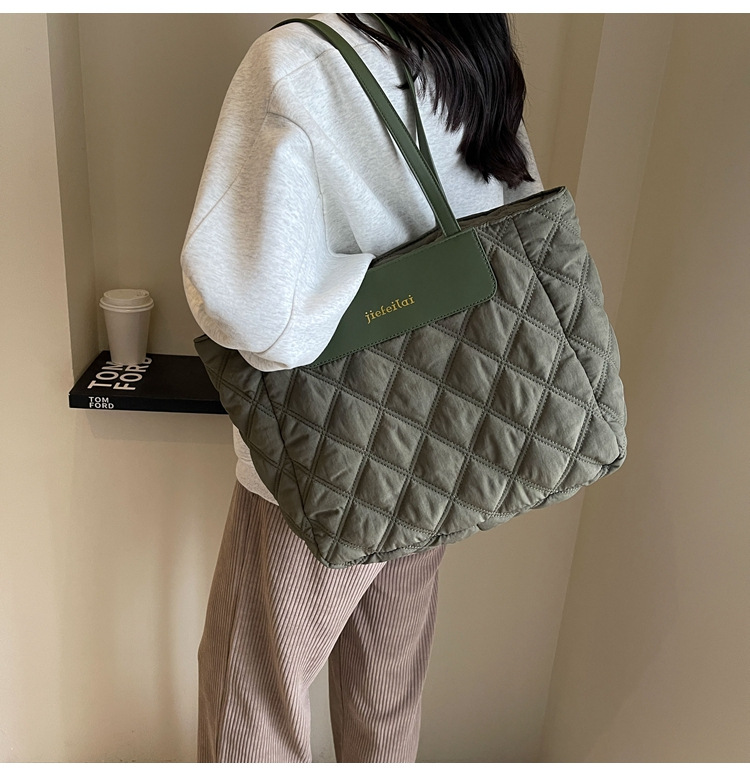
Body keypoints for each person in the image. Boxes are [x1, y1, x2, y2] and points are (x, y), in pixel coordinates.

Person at [181, 12, 543, 763]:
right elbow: (510, 227)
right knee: (385, 700)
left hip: (328, 451)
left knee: (252, 704)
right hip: (445, 438)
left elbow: (248, 306)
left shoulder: (295, 62)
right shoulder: (469, 50)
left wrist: (342, 299)